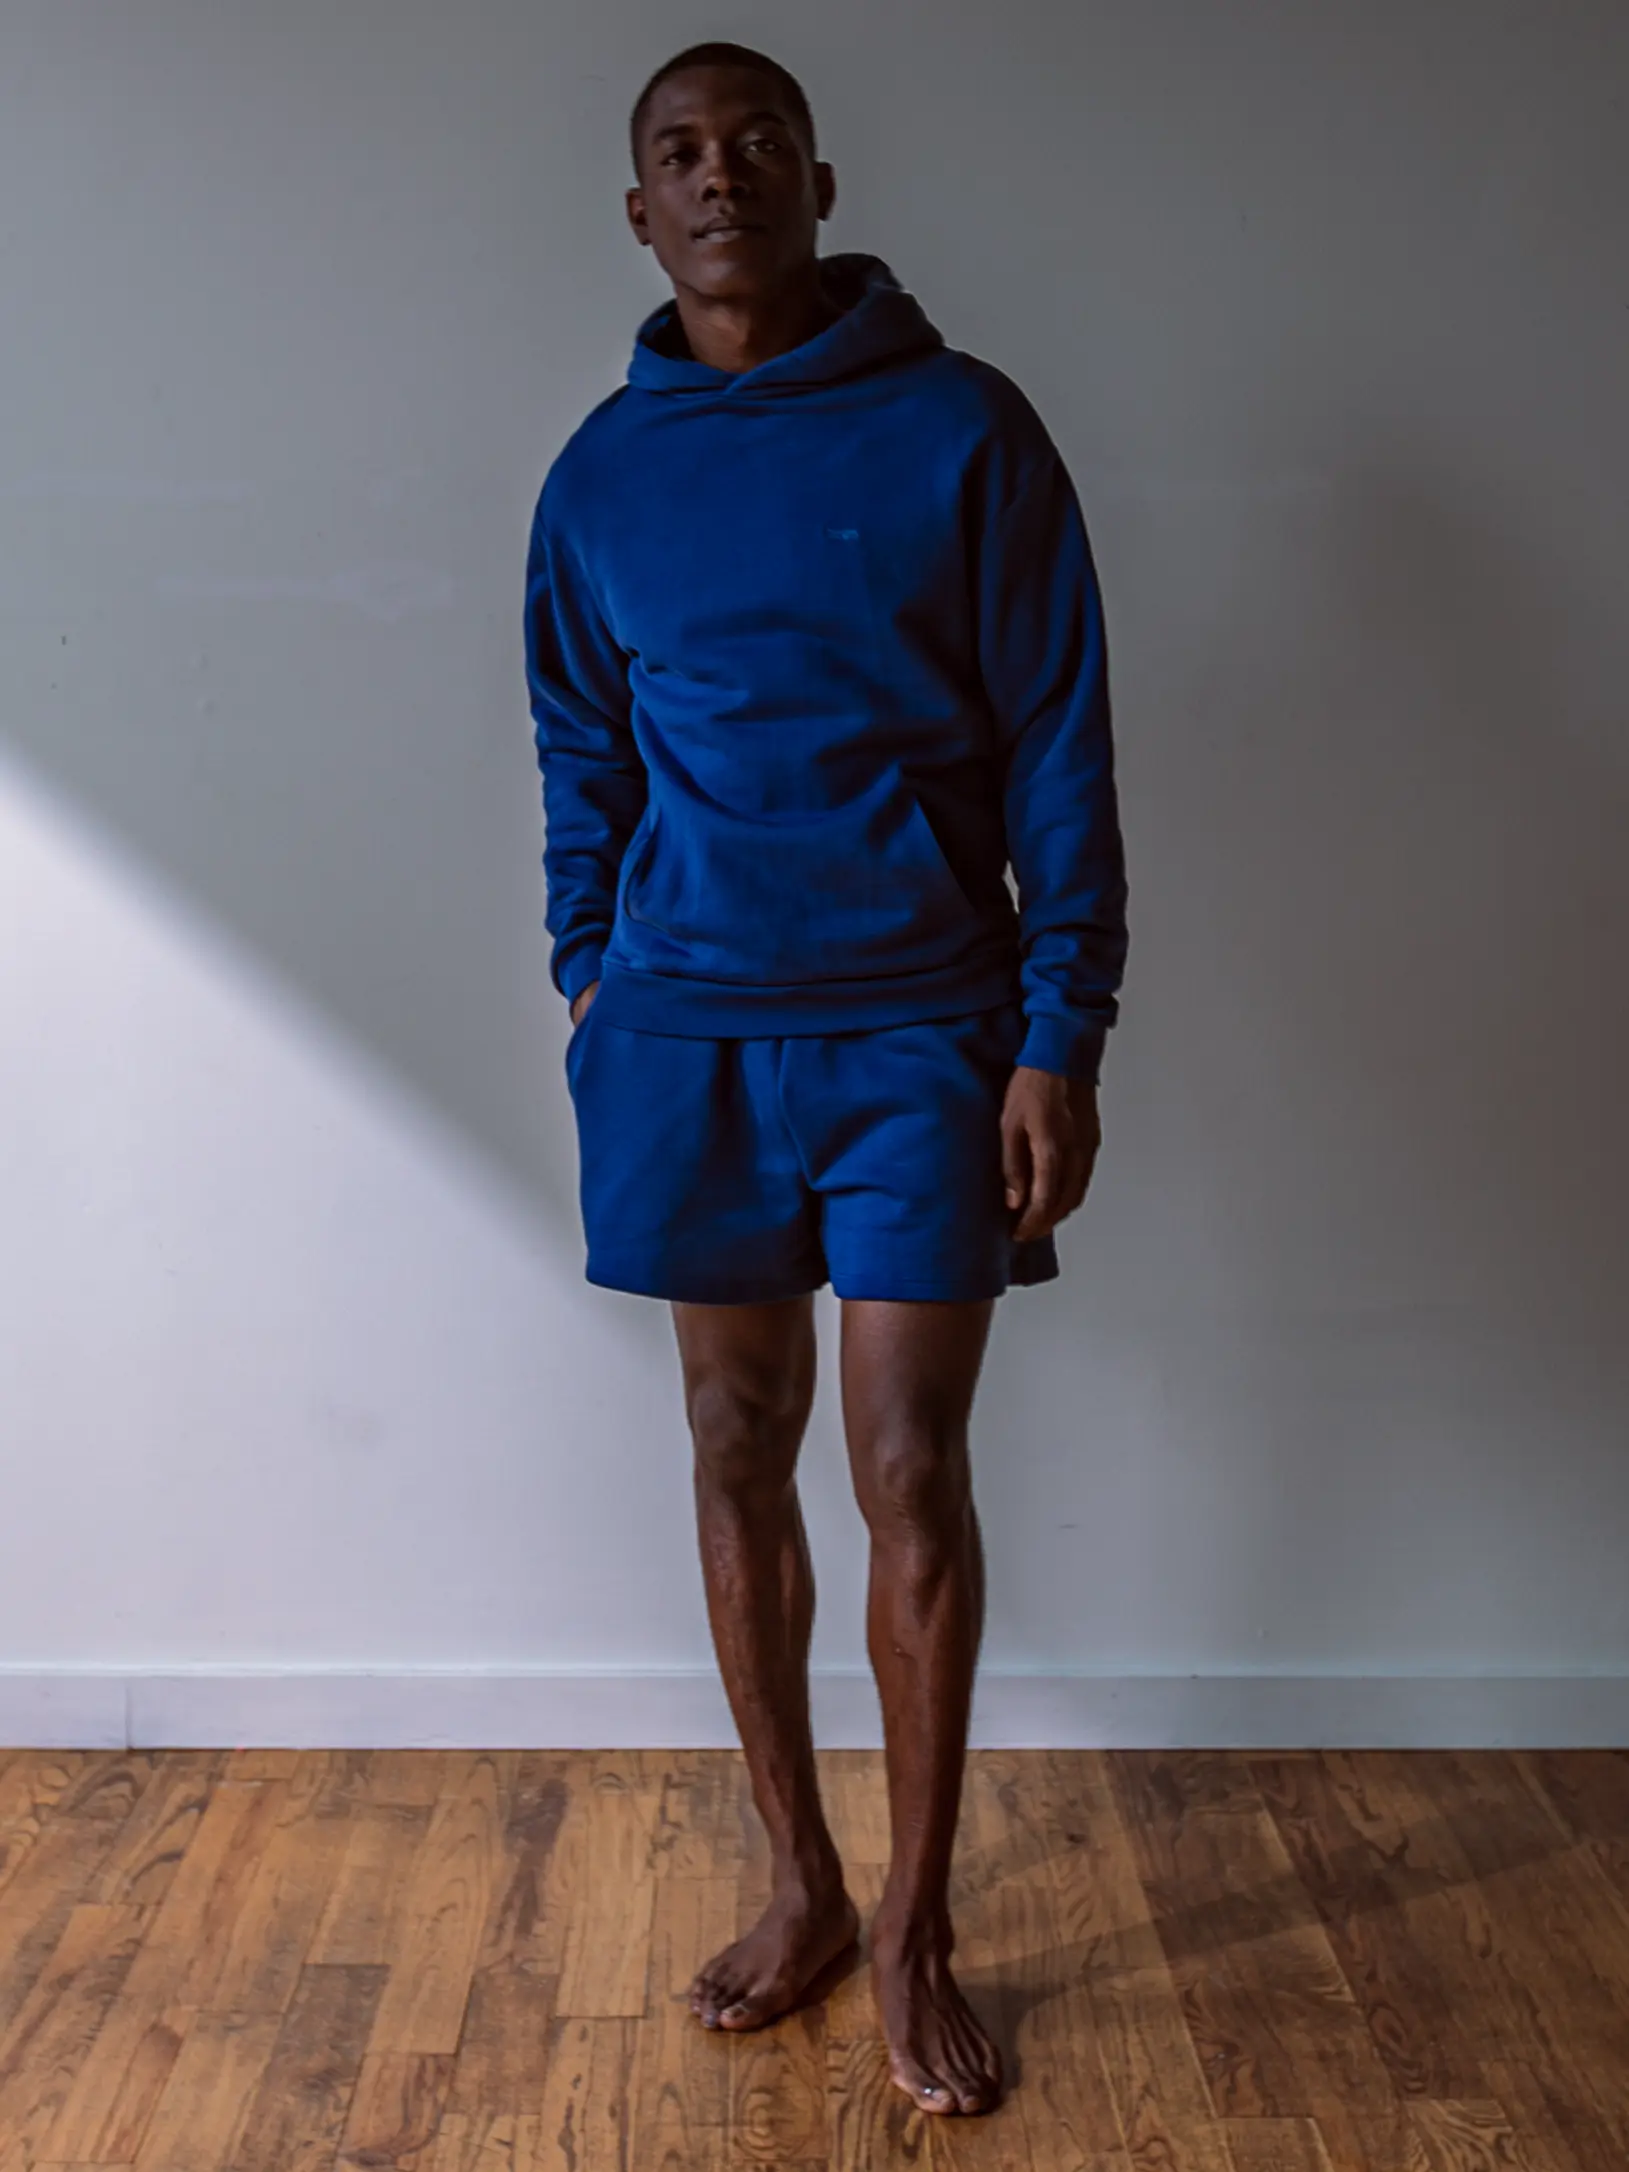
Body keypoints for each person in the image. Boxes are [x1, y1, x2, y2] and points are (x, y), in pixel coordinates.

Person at [524, 39, 1128, 2119]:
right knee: (724, 1439)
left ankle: (920, 1923)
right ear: (637, 207)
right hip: (683, 1032)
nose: (719, 178)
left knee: (903, 1475)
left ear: (819, 179)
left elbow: (1060, 744)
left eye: (755, 145)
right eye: (678, 154)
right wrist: (590, 971)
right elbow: (580, 758)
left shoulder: (965, 429)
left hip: (920, 1030)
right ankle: (800, 1885)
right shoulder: (600, 474)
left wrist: (1060, 1029)